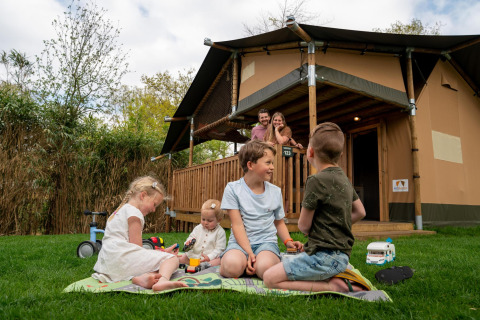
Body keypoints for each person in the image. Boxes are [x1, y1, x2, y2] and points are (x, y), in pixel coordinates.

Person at [263, 122, 367, 293]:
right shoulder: (344, 178)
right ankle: (331, 277)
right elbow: (360, 212)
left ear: (310, 152)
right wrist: (336, 225)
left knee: (269, 278)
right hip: (342, 256)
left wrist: (314, 230)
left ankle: (330, 286)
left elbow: (304, 226)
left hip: (323, 258)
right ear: (340, 155)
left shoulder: (315, 180)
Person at [219, 140, 303, 279]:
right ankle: (236, 263)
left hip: (266, 243)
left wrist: (288, 241)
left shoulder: (275, 192)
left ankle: (251, 265)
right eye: (268, 163)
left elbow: (279, 222)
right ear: (250, 165)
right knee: (231, 267)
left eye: (272, 163)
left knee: (264, 268)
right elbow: (237, 225)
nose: (272, 167)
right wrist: (249, 252)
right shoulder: (233, 189)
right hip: (239, 244)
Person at [92, 176, 188, 292]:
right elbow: (137, 248)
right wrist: (163, 254)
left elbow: (132, 250)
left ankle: (140, 278)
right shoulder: (135, 213)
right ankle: (163, 281)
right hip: (121, 260)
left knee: (160, 264)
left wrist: (160, 253)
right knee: (172, 260)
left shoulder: (119, 211)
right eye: (154, 204)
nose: (153, 210)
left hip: (107, 264)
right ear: (143, 196)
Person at [178, 199, 226, 267]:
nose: (205, 223)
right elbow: (192, 237)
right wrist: (188, 242)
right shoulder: (198, 228)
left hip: (209, 258)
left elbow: (219, 249)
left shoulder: (220, 232)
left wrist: (209, 257)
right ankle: (183, 262)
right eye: (203, 219)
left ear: (219, 220)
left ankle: (206, 265)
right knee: (183, 258)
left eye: (209, 221)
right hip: (195, 255)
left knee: (219, 260)